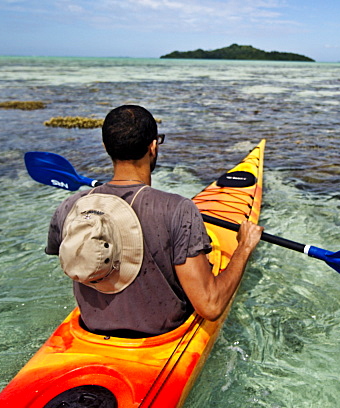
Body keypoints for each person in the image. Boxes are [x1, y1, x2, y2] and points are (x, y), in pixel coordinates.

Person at [45, 104, 263, 337]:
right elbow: (210, 306)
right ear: (153, 146)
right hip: (161, 337)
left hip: (90, 331)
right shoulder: (179, 210)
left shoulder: (70, 207)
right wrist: (244, 247)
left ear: (106, 146)